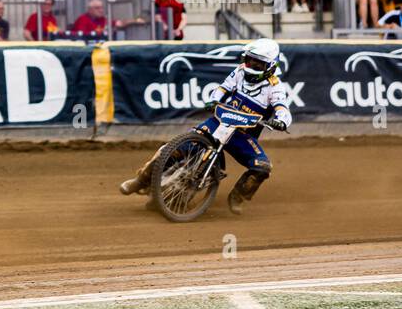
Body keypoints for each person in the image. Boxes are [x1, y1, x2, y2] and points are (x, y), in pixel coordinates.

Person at [119, 39, 292, 214]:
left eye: (257, 64)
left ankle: (238, 197)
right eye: (249, 60)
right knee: (174, 148)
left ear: (270, 66)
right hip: (219, 122)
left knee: (262, 166)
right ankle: (141, 180)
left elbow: (282, 108)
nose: (251, 66)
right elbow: (223, 88)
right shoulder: (239, 71)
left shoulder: (275, 87)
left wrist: (281, 121)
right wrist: (214, 99)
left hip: (242, 135)